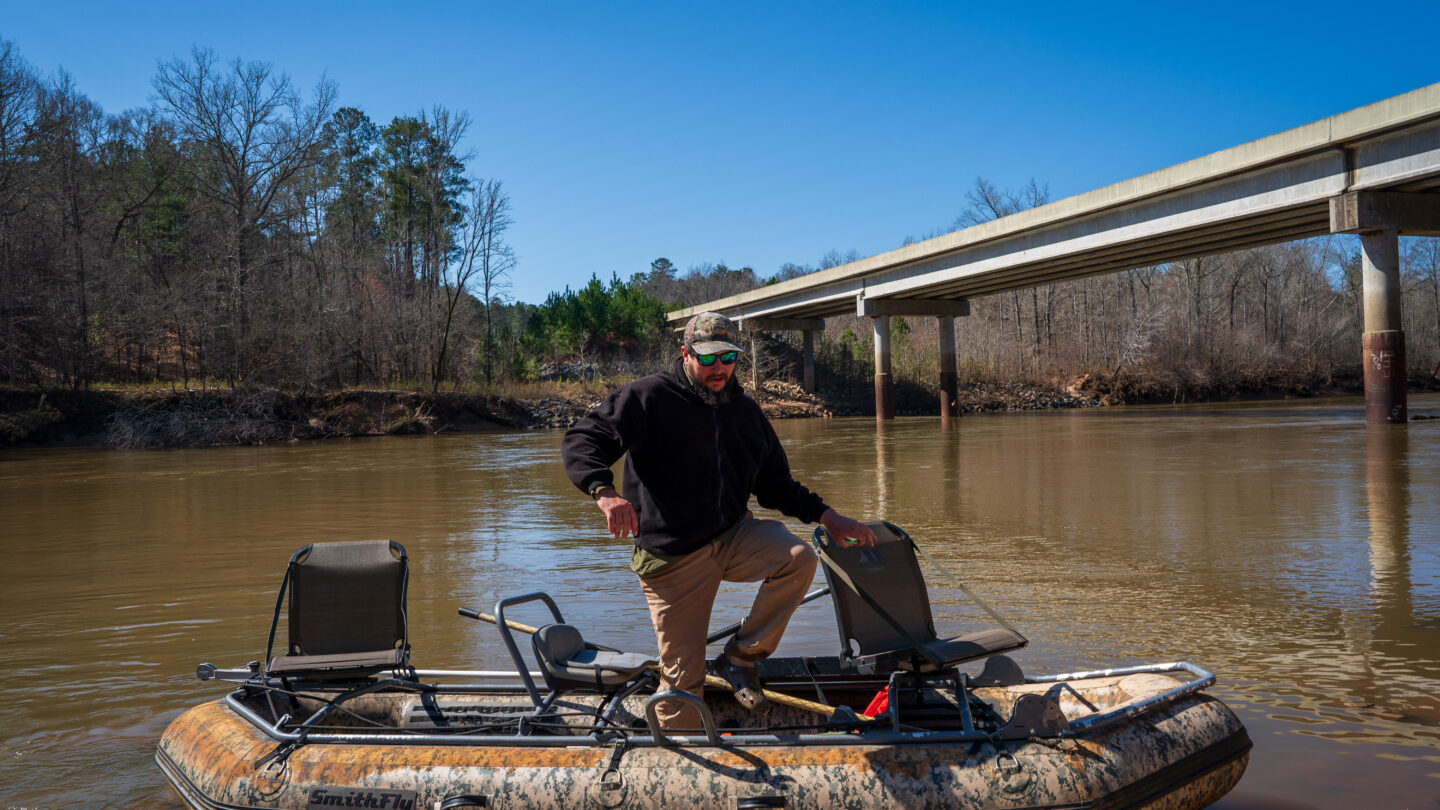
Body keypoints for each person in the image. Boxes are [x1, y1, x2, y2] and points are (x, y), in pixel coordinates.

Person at [561, 311, 875, 728]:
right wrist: (605, 492)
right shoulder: (649, 397)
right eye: (707, 359)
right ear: (685, 354)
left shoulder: (745, 414)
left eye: (727, 358)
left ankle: (740, 659)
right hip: (672, 558)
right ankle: (674, 761)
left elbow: (777, 486)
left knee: (799, 557)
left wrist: (828, 516)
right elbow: (584, 438)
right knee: (682, 692)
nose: (719, 368)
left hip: (732, 536)